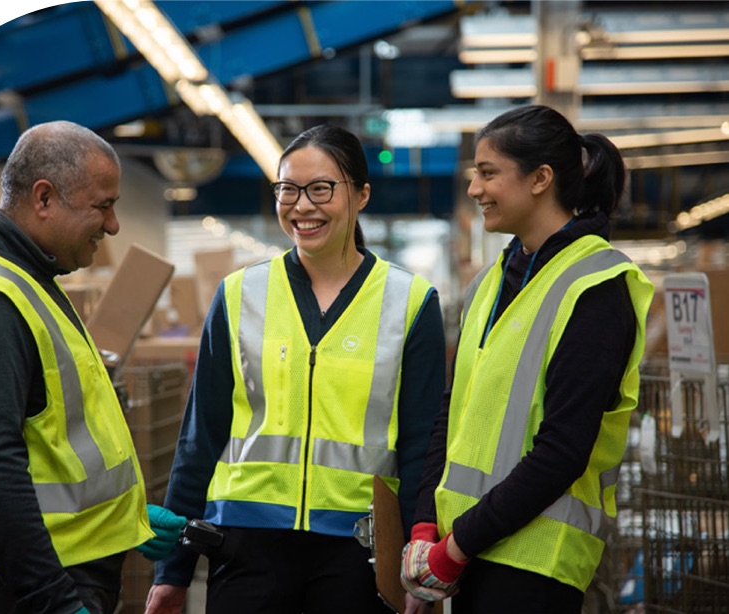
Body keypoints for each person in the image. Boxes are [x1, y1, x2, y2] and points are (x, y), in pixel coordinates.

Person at [144, 124, 446, 614]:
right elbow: (201, 436)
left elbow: (421, 448)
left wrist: (414, 566)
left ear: (361, 195)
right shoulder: (240, 294)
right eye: (288, 189)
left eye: (321, 188)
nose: (302, 206)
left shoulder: (409, 302)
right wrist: (173, 570)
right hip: (244, 545)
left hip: (359, 553)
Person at [399, 104, 655, 613]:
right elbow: (452, 414)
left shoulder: (598, 288)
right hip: (466, 553)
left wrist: (454, 548)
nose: (475, 189)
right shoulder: (489, 284)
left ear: (540, 179)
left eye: (488, 173)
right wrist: (428, 530)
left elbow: (563, 448)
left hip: (535, 563)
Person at [0, 120, 187, 614]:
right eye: (102, 206)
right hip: (20, 588)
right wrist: (54, 601)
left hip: (51, 571)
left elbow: (55, 442)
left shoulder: (31, 279)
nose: (112, 225)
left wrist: (125, 516)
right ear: (43, 198)